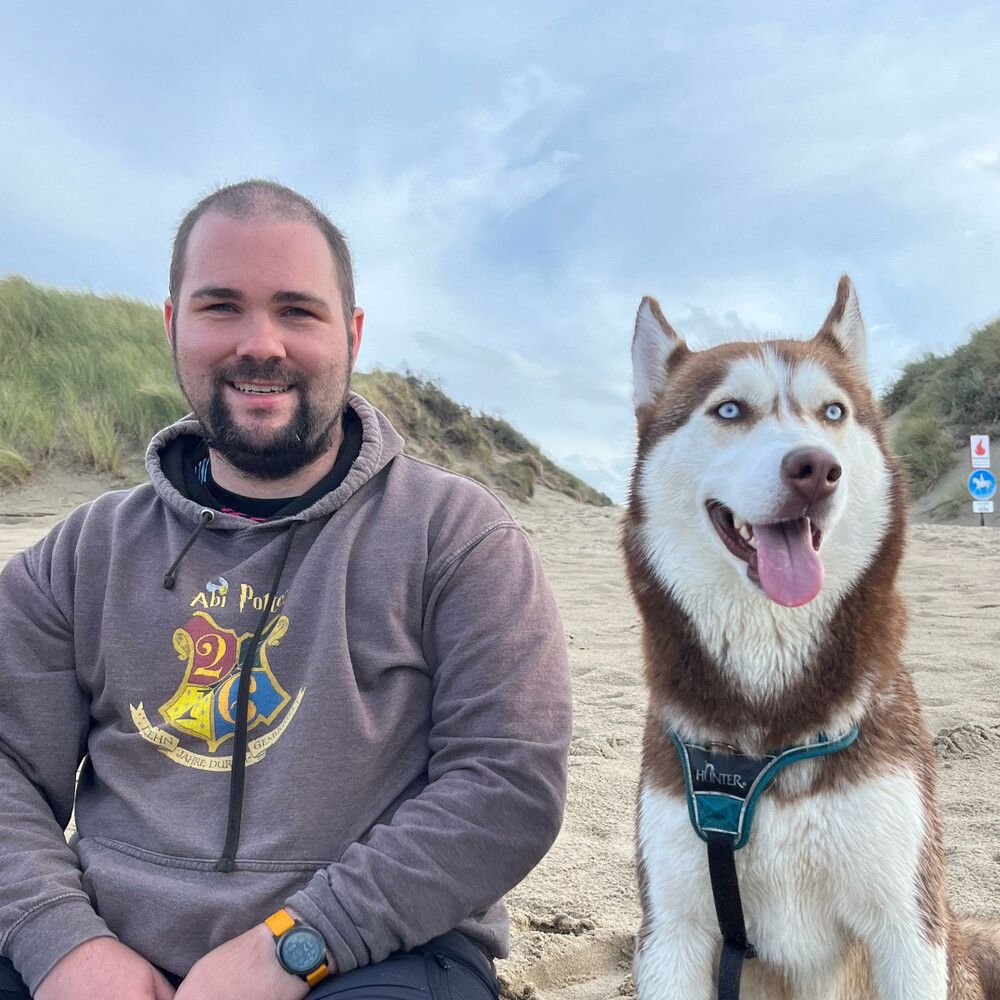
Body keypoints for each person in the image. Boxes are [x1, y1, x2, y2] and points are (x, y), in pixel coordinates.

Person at [0, 180, 572, 999]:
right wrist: (61, 944)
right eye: (221, 307)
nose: (260, 343)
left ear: (352, 332)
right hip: (106, 944)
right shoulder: (84, 553)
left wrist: (301, 942)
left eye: (299, 312)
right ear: (173, 324)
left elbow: (508, 784)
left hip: (374, 951)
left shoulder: (457, 535)